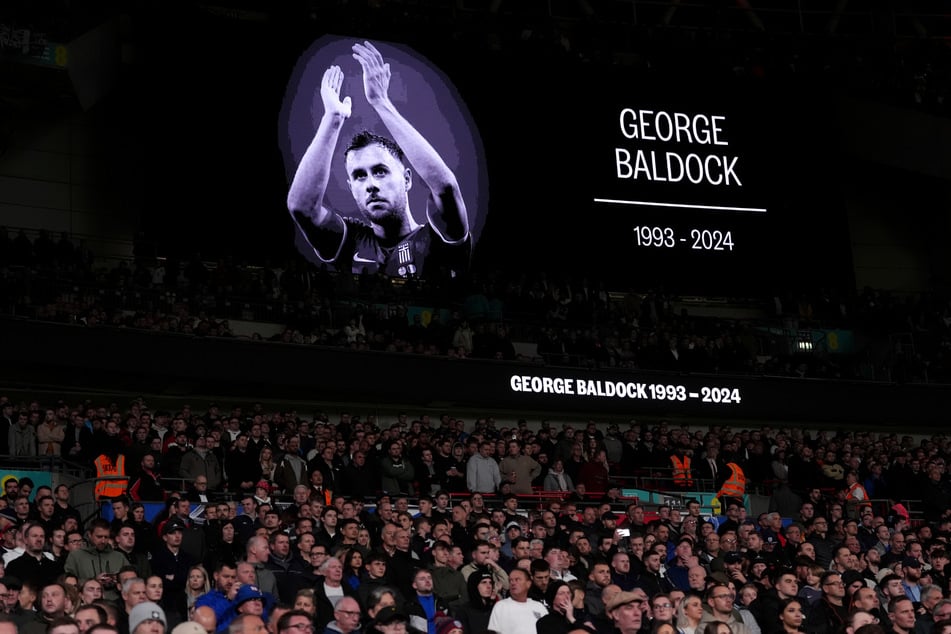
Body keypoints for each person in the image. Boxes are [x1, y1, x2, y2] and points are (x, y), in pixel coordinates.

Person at [287, 40, 470, 280]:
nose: (371, 183)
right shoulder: (350, 241)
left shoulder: (438, 237)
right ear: (352, 188)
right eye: (359, 175)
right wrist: (332, 119)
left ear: (406, 179)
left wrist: (381, 103)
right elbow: (302, 207)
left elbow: (445, 186)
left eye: (380, 171)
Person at [487, 568, 547, 632]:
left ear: (528, 584)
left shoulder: (539, 606)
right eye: (510, 580)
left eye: (517, 580)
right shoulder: (501, 606)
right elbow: (493, 631)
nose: (513, 583)